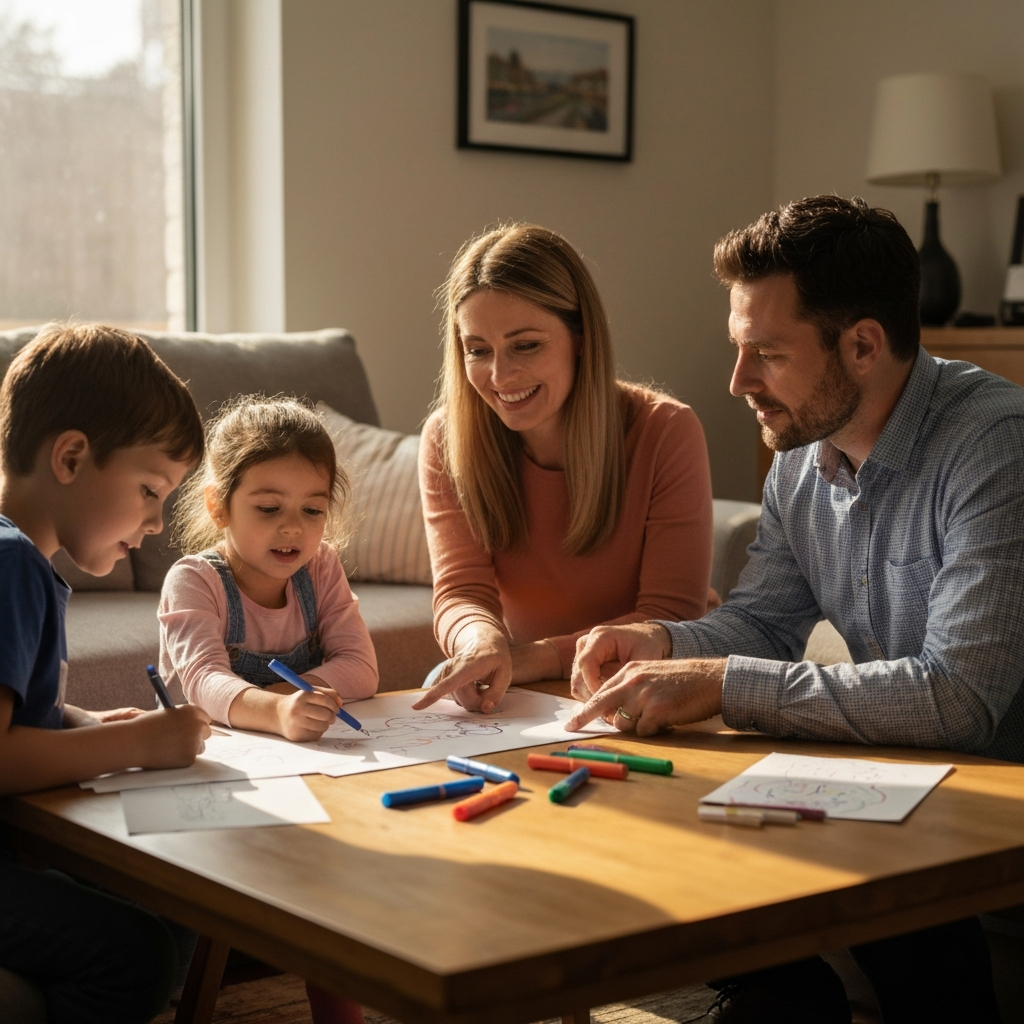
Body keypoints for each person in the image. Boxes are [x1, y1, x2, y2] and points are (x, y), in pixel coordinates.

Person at [568, 195, 1017, 1023]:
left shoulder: (995, 449)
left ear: (863, 345)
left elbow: (961, 699)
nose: (737, 382)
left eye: (766, 354)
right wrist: (659, 643)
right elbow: (761, 623)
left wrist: (727, 681)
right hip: (917, 779)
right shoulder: (801, 462)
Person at [0, 323, 213, 1024]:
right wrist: (139, 746)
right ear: (70, 457)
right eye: (150, 489)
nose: (156, 522)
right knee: (136, 952)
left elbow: (18, 713)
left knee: (169, 899)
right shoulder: (13, 569)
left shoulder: (19, 561)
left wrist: (86, 725)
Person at [413, 223, 714, 716]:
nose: (499, 375)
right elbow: (462, 592)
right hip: (535, 693)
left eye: (526, 345)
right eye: (478, 349)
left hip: (655, 678)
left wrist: (527, 657)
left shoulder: (666, 430)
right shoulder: (447, 439)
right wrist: (480, 639)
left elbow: (670, 616)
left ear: (580, 338)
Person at [160, 395, 377, 1024]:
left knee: (335, 879)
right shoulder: (195, 581)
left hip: (309, 771)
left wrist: (288, 707)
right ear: (217, 506)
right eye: (268, 508)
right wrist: (282, 711)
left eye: (313, 510)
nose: (294, 529)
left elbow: (361, 668)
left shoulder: (322, 569)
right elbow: (203, 681)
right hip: (217, 778)